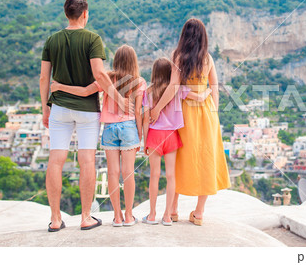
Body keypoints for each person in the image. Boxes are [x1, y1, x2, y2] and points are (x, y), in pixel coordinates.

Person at [40, 0, 130, 232]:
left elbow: (43, 78)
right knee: (87, 160)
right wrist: (120, 99)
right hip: (88, 110)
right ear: (85, 14)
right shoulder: (93, 39)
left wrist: (44, 107)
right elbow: (100, 75)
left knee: (56, 160)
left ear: (66, 13)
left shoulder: (52, 40)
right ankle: (86, 217)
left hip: (58, 107)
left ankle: (56, 219)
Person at [51, 45, 145, 227]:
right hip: (129, 128)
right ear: (134, 61)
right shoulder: (139, 81)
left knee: (112, 173)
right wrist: (139, 135)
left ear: (116, 60)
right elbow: (139, 113)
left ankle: (117, 217)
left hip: (109, 129)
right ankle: (128, 216)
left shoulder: (108, 78)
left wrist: (59, 87)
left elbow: (85, 91)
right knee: (128, 173)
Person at [150, 18, 231, 226]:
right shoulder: (208, 58)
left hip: (183, 112)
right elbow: (214, 87)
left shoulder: (177, 56)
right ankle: (199, 212)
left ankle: (174, 209)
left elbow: (174, 86)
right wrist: (214, 112)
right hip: (206, 113)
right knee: (205, 158)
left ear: (184, 35)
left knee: (179, 158)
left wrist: (158, 108)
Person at [142, 57, 211, 226]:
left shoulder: (148, 92)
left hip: (154, 136)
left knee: (154, 176)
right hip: (171, 136)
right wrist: (210, 90)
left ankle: (152, 215)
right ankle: (167, 216)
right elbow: (201, 98)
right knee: (171, 176)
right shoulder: (178, 90)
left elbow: (145, 119)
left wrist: (145, 141)